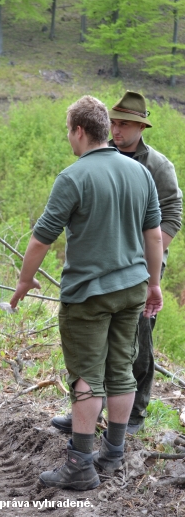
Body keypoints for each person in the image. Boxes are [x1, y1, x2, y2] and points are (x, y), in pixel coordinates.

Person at [10, 95, 163, 491]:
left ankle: (80, 465)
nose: (69, 140)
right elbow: (153, 234)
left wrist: (25, 281)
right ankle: (113, 454)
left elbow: (42, 238)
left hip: (88, 295)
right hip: (131, 289)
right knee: (121, 371)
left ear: (79, 131)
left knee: (86, 378)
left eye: (69, 132)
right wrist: (154, 283)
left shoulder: (73, 177)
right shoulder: (139, 172)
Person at [51, 91, 182, 436]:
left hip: (140, 269)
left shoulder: (157, 165)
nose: (118, 129)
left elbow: (171, 216)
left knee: (135, 345)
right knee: (92, 349)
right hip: (99, 269)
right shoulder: (98, 156)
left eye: (126, 124)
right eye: (115, 122)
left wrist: (146, 255)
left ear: (141, 127)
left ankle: (134, 414)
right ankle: (88, 416)